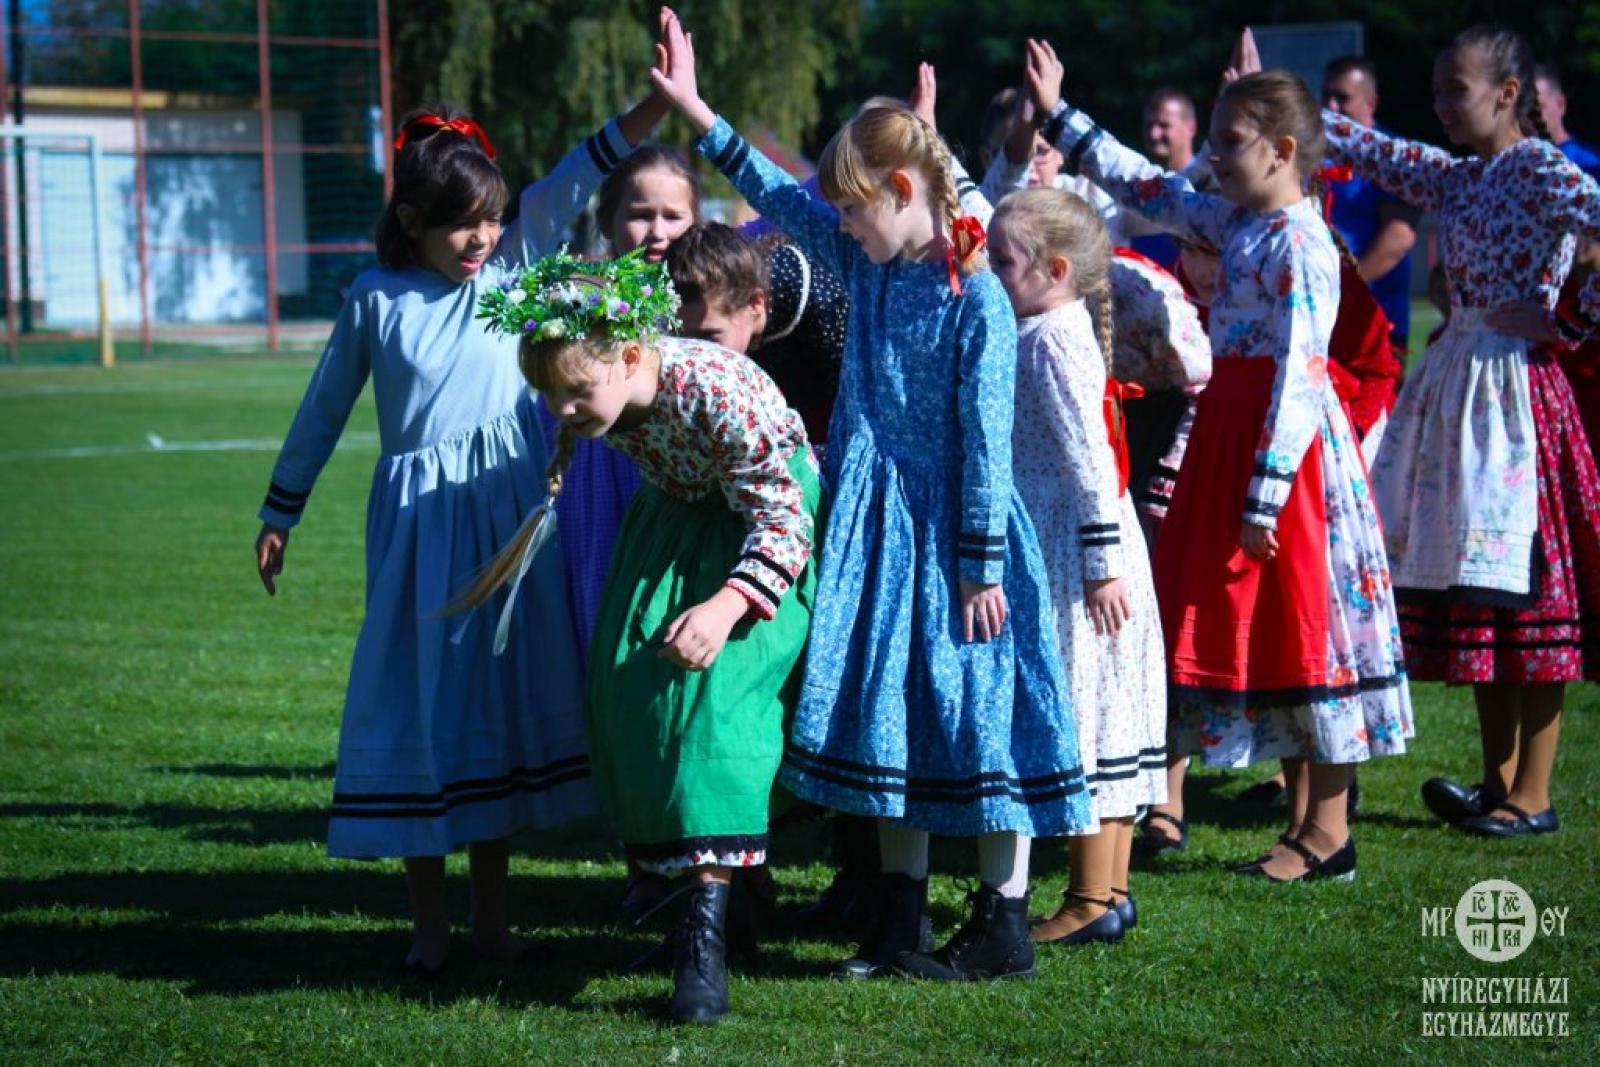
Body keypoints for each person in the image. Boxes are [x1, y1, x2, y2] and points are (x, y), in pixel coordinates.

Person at [652, 7, 1093, 981]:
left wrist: (980, 563)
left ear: (901, 191)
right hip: (878, 522)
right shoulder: (869, 256)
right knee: (890, 705)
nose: (840, 225)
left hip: (961, 539)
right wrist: (699, 114)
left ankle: (1003, 921)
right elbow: (784, 197)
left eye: (854, 210)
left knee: (980, 710)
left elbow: (986, 439)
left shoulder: (974, 294)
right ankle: (898, 919)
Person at [1032, 33, 1413, 881]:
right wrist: (1062, 115)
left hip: (1287, 453)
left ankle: (1327, 829)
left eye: (1230, 142)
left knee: (1310, 625)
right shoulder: (1239, 220)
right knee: (1270, 625)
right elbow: (1151, 187)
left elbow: (1305, 373)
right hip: (1233, 433)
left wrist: (1267, 493)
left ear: (1282, 150)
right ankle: (1308, 826)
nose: (1212, 157)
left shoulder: (1301, 243)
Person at [253, 106, 613, 975]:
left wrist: (655, 109)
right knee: (421, 708)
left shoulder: (513, 277)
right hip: (418, 529)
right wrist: (280, 510)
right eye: (461, 223)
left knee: (493, 711)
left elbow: (568, 184)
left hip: (506, 519)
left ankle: (491, 922)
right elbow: (324, 407)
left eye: (491, 218)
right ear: (413, 220)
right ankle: (430, 927)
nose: (481, 237)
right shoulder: (376, 298)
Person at [462, 248, 820, 1024]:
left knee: (716, 717)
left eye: (576, 391)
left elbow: (784, 517)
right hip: (675, 526)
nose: (563, 408)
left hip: (758, 537)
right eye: (550, 393)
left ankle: (703, 947)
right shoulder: (603, 400)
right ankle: (722, 905)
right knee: (635, 701)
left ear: (630, 356)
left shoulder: (717, 388)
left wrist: (725, 607)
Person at [1323, 24, 1600, 839]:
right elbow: (1376, 150)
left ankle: (1534, 793)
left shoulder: (1542, 168)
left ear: (1508, 94)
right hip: (1460, 391)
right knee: (1479, 588)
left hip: (1519, 397)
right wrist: (1277, 98)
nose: (1442, 104)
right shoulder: (1460, 175)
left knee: (1529, 592)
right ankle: (1498, 780)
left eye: (1458, 89)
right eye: (1438, 89)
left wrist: (1570, 320)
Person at [990, 187, 1167, 946]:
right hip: (1087, 546)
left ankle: (1092, 897)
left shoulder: (1050, 340)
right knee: (1108, 705)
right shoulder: (1052, 327)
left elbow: (1091, 460)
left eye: (1003, 261)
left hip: (1077, 553)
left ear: (1054, 269)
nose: (991, 271)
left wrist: (1099, 563)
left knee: (1089, 708)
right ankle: (1110, 889)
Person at [665, 222, 849, 447]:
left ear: (755, 304)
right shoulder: (729, 330)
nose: (697, 355)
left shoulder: (824, 307)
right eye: (685, 340)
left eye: (709, 337)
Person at [1321, 56, 1421, 353]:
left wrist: (1345, 289)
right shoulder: (1314, 154)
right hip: (1324, 314)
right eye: (1326, 96)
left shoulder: (1391, 157)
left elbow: (1398, 237)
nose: (1332, 107)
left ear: (1371, 103)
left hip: (1377, 319)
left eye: (1342, 98)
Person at [1127, 89, 1202, 268]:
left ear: (1191, 128)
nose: (1154, 134)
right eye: (1149, 125)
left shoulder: (1210, 186)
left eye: (1164, 125)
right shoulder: (1133, 189)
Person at [1534, 63, 1600, 181]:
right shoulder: (1516, 163)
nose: (1531, 116)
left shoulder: (1590, 165)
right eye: (1525, 108)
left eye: (1539, 107)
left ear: (1560, 105)